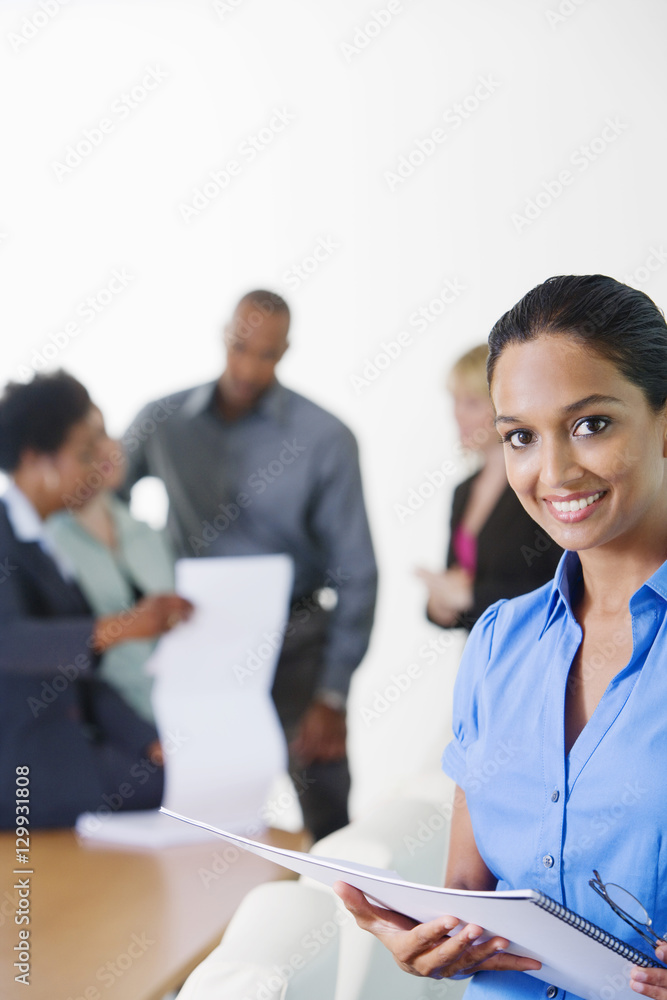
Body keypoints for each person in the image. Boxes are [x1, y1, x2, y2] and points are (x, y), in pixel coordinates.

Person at [335, 274, 667, 1000]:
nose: (553, 472)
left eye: (591, 424)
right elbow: (467, 886)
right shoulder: (497, 641)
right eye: (519, 435)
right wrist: (428, 938)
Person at [120, 290, 378, 841]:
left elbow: (357, 571)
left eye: (266, 354)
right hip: (195, 640)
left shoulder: (326, 438)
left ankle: (350, 920)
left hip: (296, 642)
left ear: (285, 352)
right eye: (241, 347)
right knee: (193, 798)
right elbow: (96, 505)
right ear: (224, 336)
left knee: (326, 805)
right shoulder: (163, 421)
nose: (248, 366)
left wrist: (332, 695)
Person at [0, 371, 192, 828]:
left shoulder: (46, 546)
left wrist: (150, 740)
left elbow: (86, 677)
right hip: (24, 769)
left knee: (187, 780)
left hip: (72, 750)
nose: (95, 468)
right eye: (83, 454)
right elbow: (8, 640)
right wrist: (125, 625)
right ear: (35, 459)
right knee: (174, 795)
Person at [417, 344, 561, 629]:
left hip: (533, 655)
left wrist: (471, 596)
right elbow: (457, 587)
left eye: (470, 403)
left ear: (504, 408)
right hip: (481, 658)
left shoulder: (544, 485)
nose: (456, 414)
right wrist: (438, 606)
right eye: (455, 401)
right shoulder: (463, 491)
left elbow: (560, 589)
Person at [47, 405, 176, 723]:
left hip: (175, 719)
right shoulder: (43, 545)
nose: (105, 449)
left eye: (103, 433)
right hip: (100, 733)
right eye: (86, 443)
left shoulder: (146, 533)